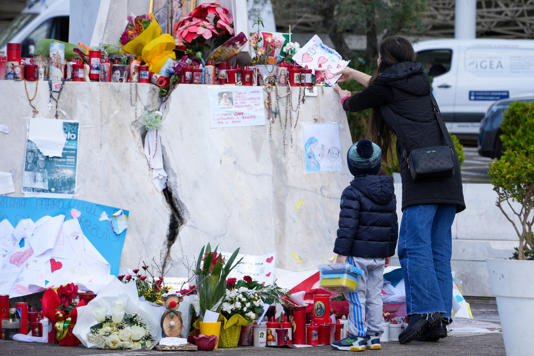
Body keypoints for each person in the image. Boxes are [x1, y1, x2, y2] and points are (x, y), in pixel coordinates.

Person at [333, 36, 465, 344]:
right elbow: (383, 88)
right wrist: (354, 75)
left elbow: (354, 103)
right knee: (438, 249)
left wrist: (342, 93)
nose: (377, 63)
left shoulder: (388, 86)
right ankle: (438, 319)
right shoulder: (418, 81)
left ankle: (423, 313)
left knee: (413, 246)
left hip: (423, 174)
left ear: (385, 59)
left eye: (379, 57)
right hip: (448, 173)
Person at [331, 139, 398, 352]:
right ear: (377, 163)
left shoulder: (351, 192)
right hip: (379, 254)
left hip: (356, 255)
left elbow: (347, 226)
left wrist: (341, 253)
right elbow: (393, 223)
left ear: (353, 166)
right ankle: (374, 336)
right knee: (375, 295)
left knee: (356, 296)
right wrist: (389, 251)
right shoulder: (388, 191)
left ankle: (356, 336)